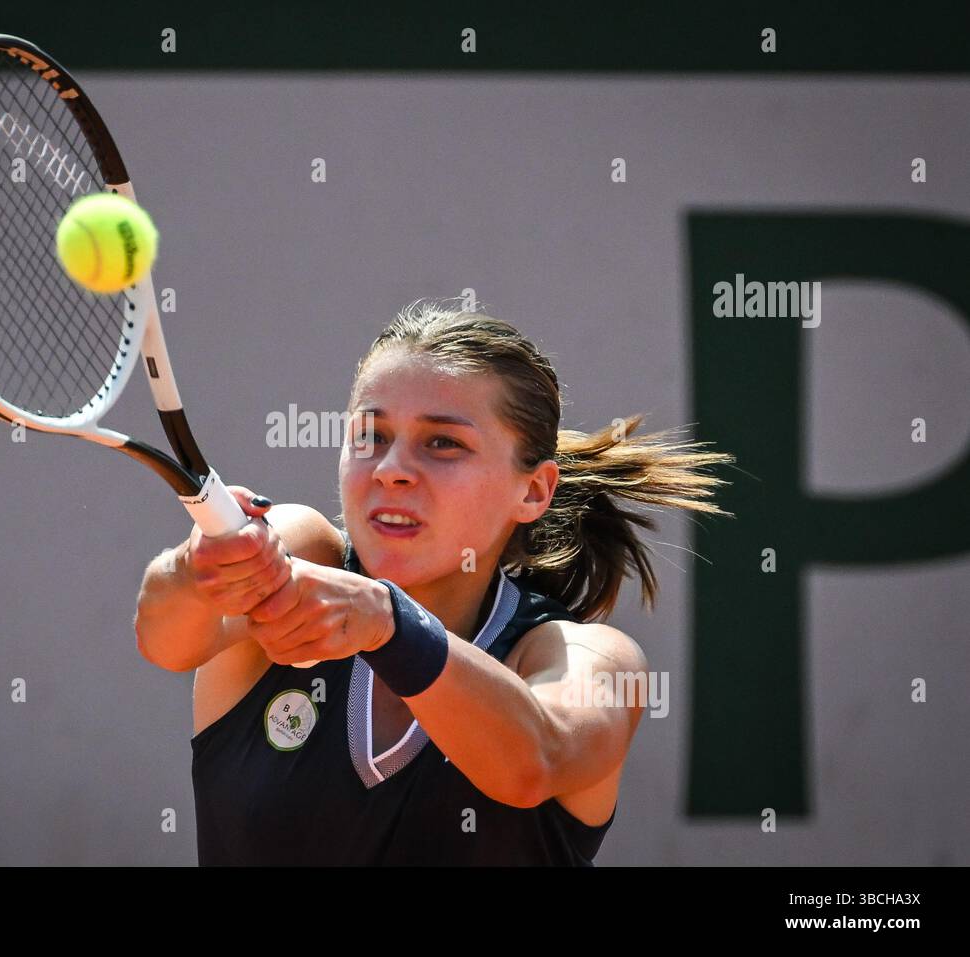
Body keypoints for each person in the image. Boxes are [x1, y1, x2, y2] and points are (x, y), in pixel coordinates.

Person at [134, 298, 735, 865]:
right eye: (371, 436)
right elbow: (168, 640)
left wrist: (389, 624)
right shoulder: (302, 548)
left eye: (443, 443)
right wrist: (193, 571)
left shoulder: (587, 658)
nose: (392, 470)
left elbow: (534, 762)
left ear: (534, 490)